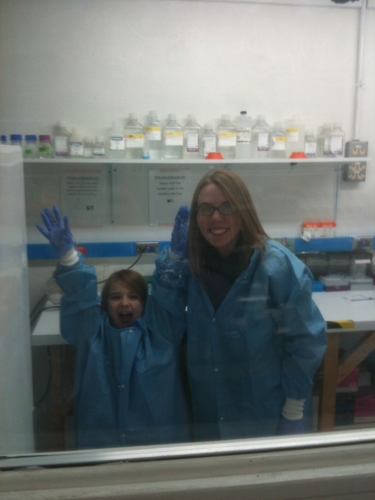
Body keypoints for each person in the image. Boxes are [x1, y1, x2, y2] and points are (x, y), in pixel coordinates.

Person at [152, 169, 327, 441]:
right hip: (209, 409)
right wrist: (174, 258)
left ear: (244, 210)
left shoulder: (276, 268)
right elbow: (165, 322)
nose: (216, 217)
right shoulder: (193, 265)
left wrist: (293, 411)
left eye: (227, 207)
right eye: (206, 209)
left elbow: (306, 341)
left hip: (266, 412)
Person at [36, 206, 190, 449]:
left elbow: (169, 293)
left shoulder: (160, 332)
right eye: (116, 297)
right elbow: (80, 298)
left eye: (133, 297)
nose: (125, 303)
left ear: (145, 303)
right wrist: (68, 256)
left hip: (157, 446)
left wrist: (174, 257)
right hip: (101, 444)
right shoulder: (91, 334)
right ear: (104, 305)